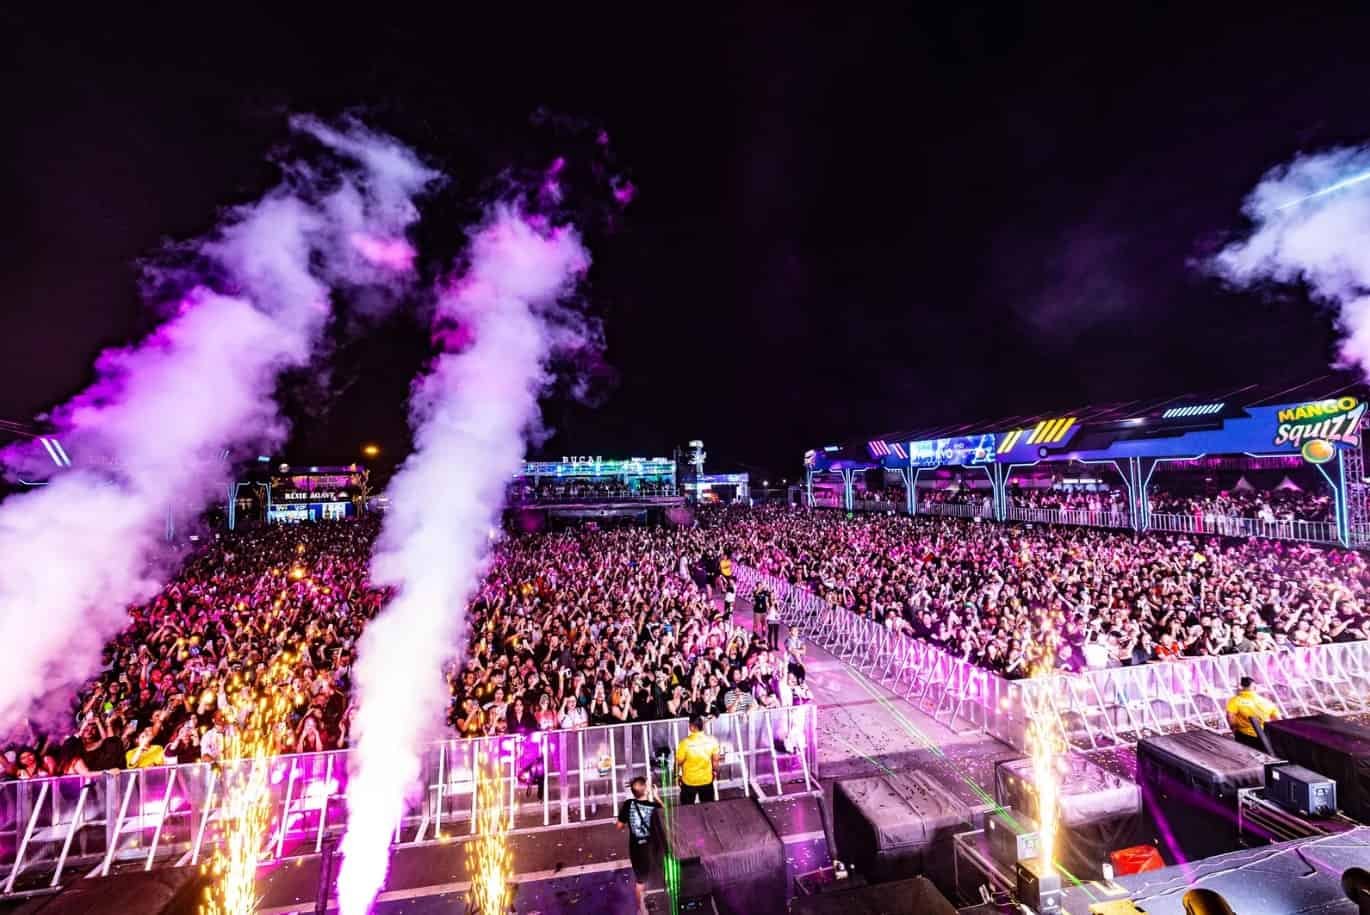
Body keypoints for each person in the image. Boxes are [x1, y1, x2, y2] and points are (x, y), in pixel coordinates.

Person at [616, 776, 663, 915]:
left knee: (640, 881)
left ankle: (641, 910)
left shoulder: (628, 804)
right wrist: (657, 797)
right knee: (656, 875)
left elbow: (619, 826)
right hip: (652, 848)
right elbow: (666, 816)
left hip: (636, 849)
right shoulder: (654, 807)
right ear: (646, 790)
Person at [675, 715, 720, 805]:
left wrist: (676, 776)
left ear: (692, 727)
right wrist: (716, 773)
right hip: (706, 780)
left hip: (689, 782)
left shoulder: (684, 743)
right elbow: (715, 762)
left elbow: (678, 763)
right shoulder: (713, 741)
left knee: (687, 809)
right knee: (708, 808)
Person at [1226, 676, 1280, 750]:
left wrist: (1233, 728)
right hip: (1263, 736)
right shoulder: (1267, 702)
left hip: (1244, 736)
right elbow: (1278, 720)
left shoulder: (1235, 700)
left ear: (1241, 687)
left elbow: (1230, 716)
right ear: (1255, 687)